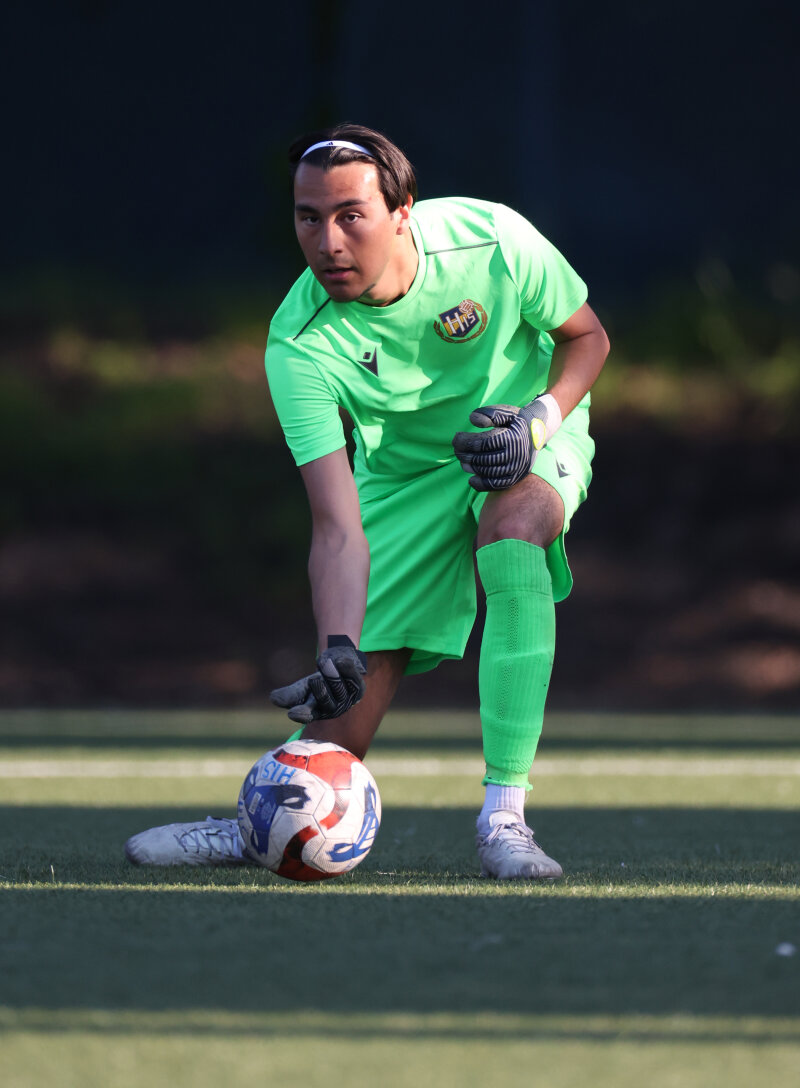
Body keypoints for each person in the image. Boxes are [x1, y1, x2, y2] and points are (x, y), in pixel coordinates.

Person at [125, 123, 610, 879]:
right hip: (404, 476)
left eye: (351, 215)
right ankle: (262, 830)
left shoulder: (493, 240)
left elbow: (588, 338)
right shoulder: (297, 344)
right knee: (341, 720)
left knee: (513, 537)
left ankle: (504, 820)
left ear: (401, 212)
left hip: (521, 431)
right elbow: (335, 526)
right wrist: (337, 645)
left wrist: (537, 422)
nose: (328, 242)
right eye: (308, 217)